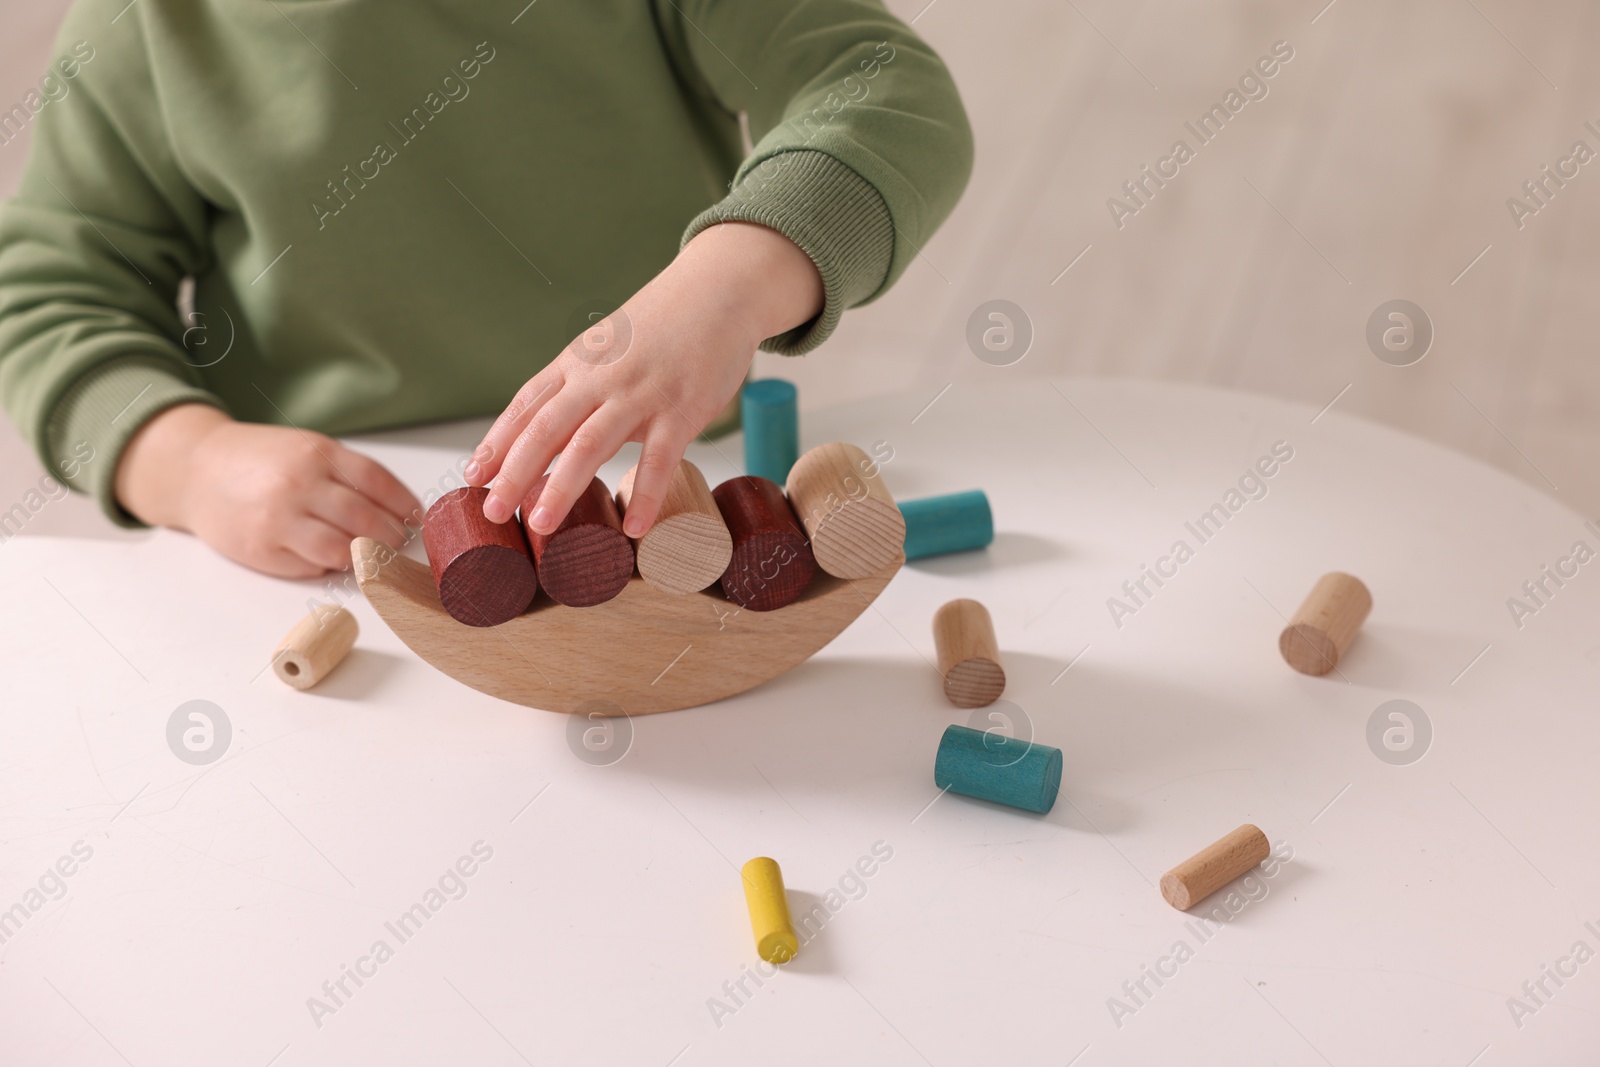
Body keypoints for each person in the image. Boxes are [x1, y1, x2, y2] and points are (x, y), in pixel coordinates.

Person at [0, 0, 972, 577]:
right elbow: (54, 290)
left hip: (670, 521)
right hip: (336, 551)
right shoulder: (145, 25)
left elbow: (883, 88)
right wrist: (189, 461)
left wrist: (733, 281)